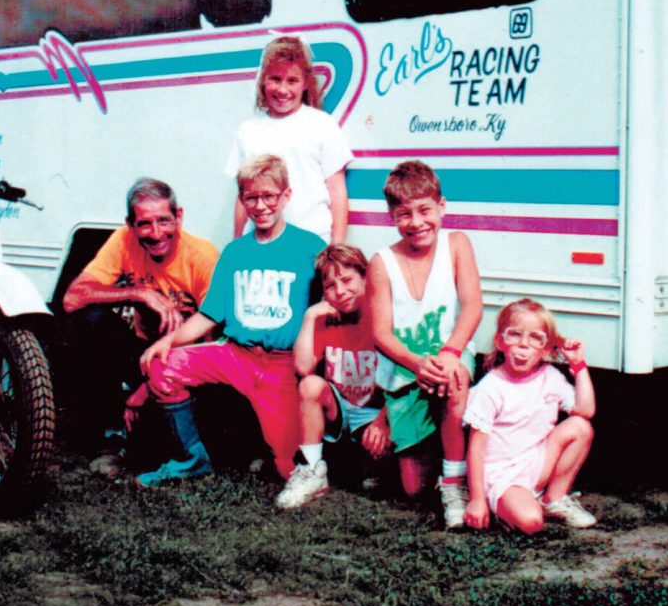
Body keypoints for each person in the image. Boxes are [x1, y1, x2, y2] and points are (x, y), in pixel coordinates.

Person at [129, 153, 326, 486]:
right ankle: (191, 461)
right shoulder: (235, 252)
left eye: (269, 196)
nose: (261, 205)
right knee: (164, 366)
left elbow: (326, 312)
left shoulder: (310, 247)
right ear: (242, 200)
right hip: (237, 354)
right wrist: (166, 341)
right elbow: (209, 314)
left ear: (285, 197)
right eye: (252, 197)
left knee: (286, 468)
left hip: (281, 364)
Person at [62, 178, 219, 455]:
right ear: (130, 224)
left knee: (154, 444)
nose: (156, 234)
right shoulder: (123, 240)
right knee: (89, 321)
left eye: (164, 221)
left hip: (190, 364)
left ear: (179, 217)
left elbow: (212, 341)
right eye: (145, 223)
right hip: (144, 353)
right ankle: (103, 433)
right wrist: (139, 293)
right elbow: (72, 298)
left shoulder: (202, 256)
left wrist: (144, 392)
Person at [366, 160, 482, 529]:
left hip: (450, 352)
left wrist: (449, 353)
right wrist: (417, 364)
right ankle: (433, 453)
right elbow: (381, 334)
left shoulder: (457, 244)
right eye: (404, 214)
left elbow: (473, 306)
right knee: (413, 489)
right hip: (407, 366)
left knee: (454, 381)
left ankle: (454, 484)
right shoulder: (382, 262)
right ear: (391, 216)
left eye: (424, 210)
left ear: (441, 206)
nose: (416, 222)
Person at [463, 298, 597, 533]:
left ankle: (553, 499)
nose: (523, 345)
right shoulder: (491, 388)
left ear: (546, 350)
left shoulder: (550, 376)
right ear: (500, 341)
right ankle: (509, 505)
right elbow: (476, 448)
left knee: (580, 426)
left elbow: (586, 410)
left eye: (535, 338)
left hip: (535, 460)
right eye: (515, 335)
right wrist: (477, 500)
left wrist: (578, 365)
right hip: (502, 475)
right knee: (531, 523)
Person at [276, 244, 391, 508]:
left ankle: (374, 466)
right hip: (339, 409)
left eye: (348, 280)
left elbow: (400, 377)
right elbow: (304, 368)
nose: (340, 291)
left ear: (366, 277)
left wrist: (383, 422)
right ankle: (311, 468)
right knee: (311, 385)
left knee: (384, 470)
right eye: (330, 285)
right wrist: (309, 317)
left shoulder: (380, 315)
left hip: (374, 412)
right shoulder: (325, 317)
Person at [224, 35, 353, 244]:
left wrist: (337, 248)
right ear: (263, 81)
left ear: (305, 84)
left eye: (292, 80)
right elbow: (241, 198)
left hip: (312, 241)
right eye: (275, 79)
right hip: (260, 243)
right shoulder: (248, 130)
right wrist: (236, 244)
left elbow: (337, 190)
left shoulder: (322, 124)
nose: (283, 90)